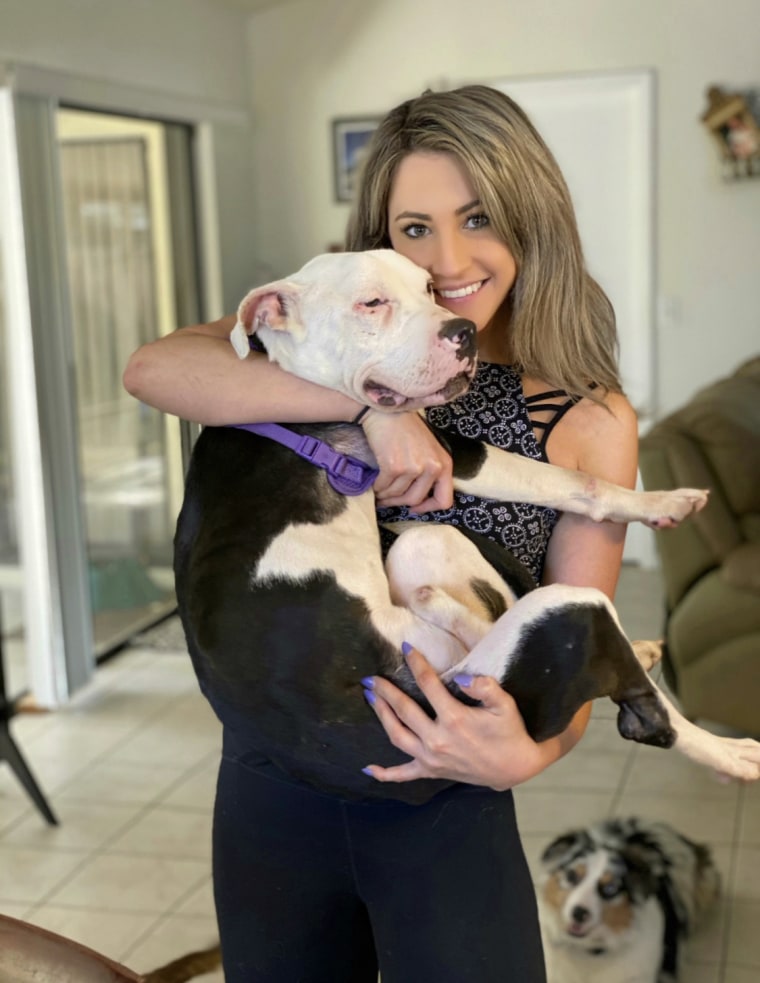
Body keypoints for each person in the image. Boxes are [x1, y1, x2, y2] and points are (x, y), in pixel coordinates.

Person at [123, 84, 639, 983]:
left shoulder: (588, 419)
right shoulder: (333, 330)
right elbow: (153, 367)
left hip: (442, 805)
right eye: (413, 229)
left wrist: (532, 752)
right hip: (270, 785)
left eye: (478, 217)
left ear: (530, 218)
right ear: (378, 241)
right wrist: (372, 404)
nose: (446, 260)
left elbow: (578, 644)